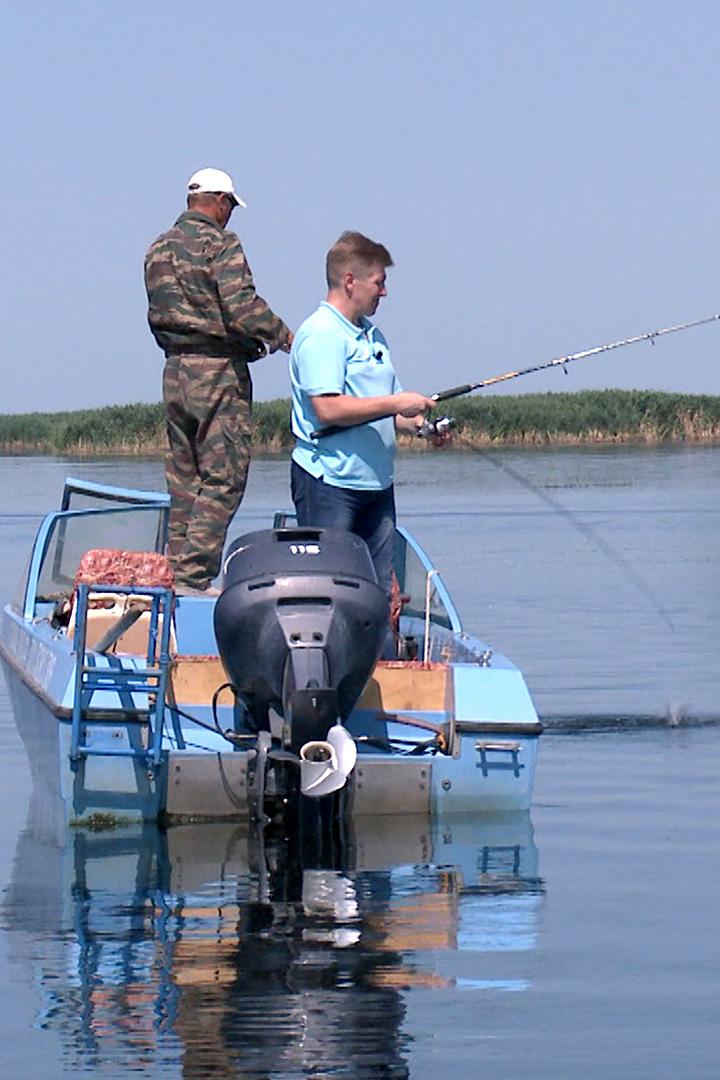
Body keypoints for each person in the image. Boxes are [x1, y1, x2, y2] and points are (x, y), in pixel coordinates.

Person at [144, 167, 292, 593]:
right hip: (217, 373)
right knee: (224, 476)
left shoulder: (157, 248)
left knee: (184, 479)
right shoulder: (220, 243)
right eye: (230, 207)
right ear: (221, 202)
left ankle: (175, 574)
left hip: (175, 372)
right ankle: (192, 580)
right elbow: (241, 308)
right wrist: (284, 337)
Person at [289, 230, 435, 599]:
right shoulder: (321, 334)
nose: (384, 292)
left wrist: (421, 426)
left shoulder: (374, 337)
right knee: (333, 590)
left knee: (379, 593)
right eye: (379, 282)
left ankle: (377, 655)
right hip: (330, 484)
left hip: (377, 486)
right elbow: (327, 408)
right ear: (350, 281)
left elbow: (392, 409)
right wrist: (394, 404)